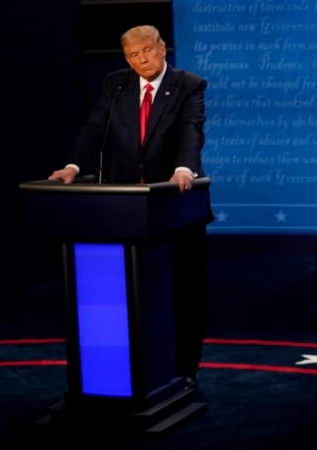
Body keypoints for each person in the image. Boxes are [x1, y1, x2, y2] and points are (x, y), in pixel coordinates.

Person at [49, 24, 211, 388]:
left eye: (147, 52)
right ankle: (132, 370)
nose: (142, 60)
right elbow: (94, 127)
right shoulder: (116, 84)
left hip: (175, 204)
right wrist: (74, 165)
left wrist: (184, 167)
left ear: (162, 48)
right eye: (133, 55)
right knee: (129, 292)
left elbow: (191, 128)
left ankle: (185, 369)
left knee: (184, 290)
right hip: (123, 209)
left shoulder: (189, 84)